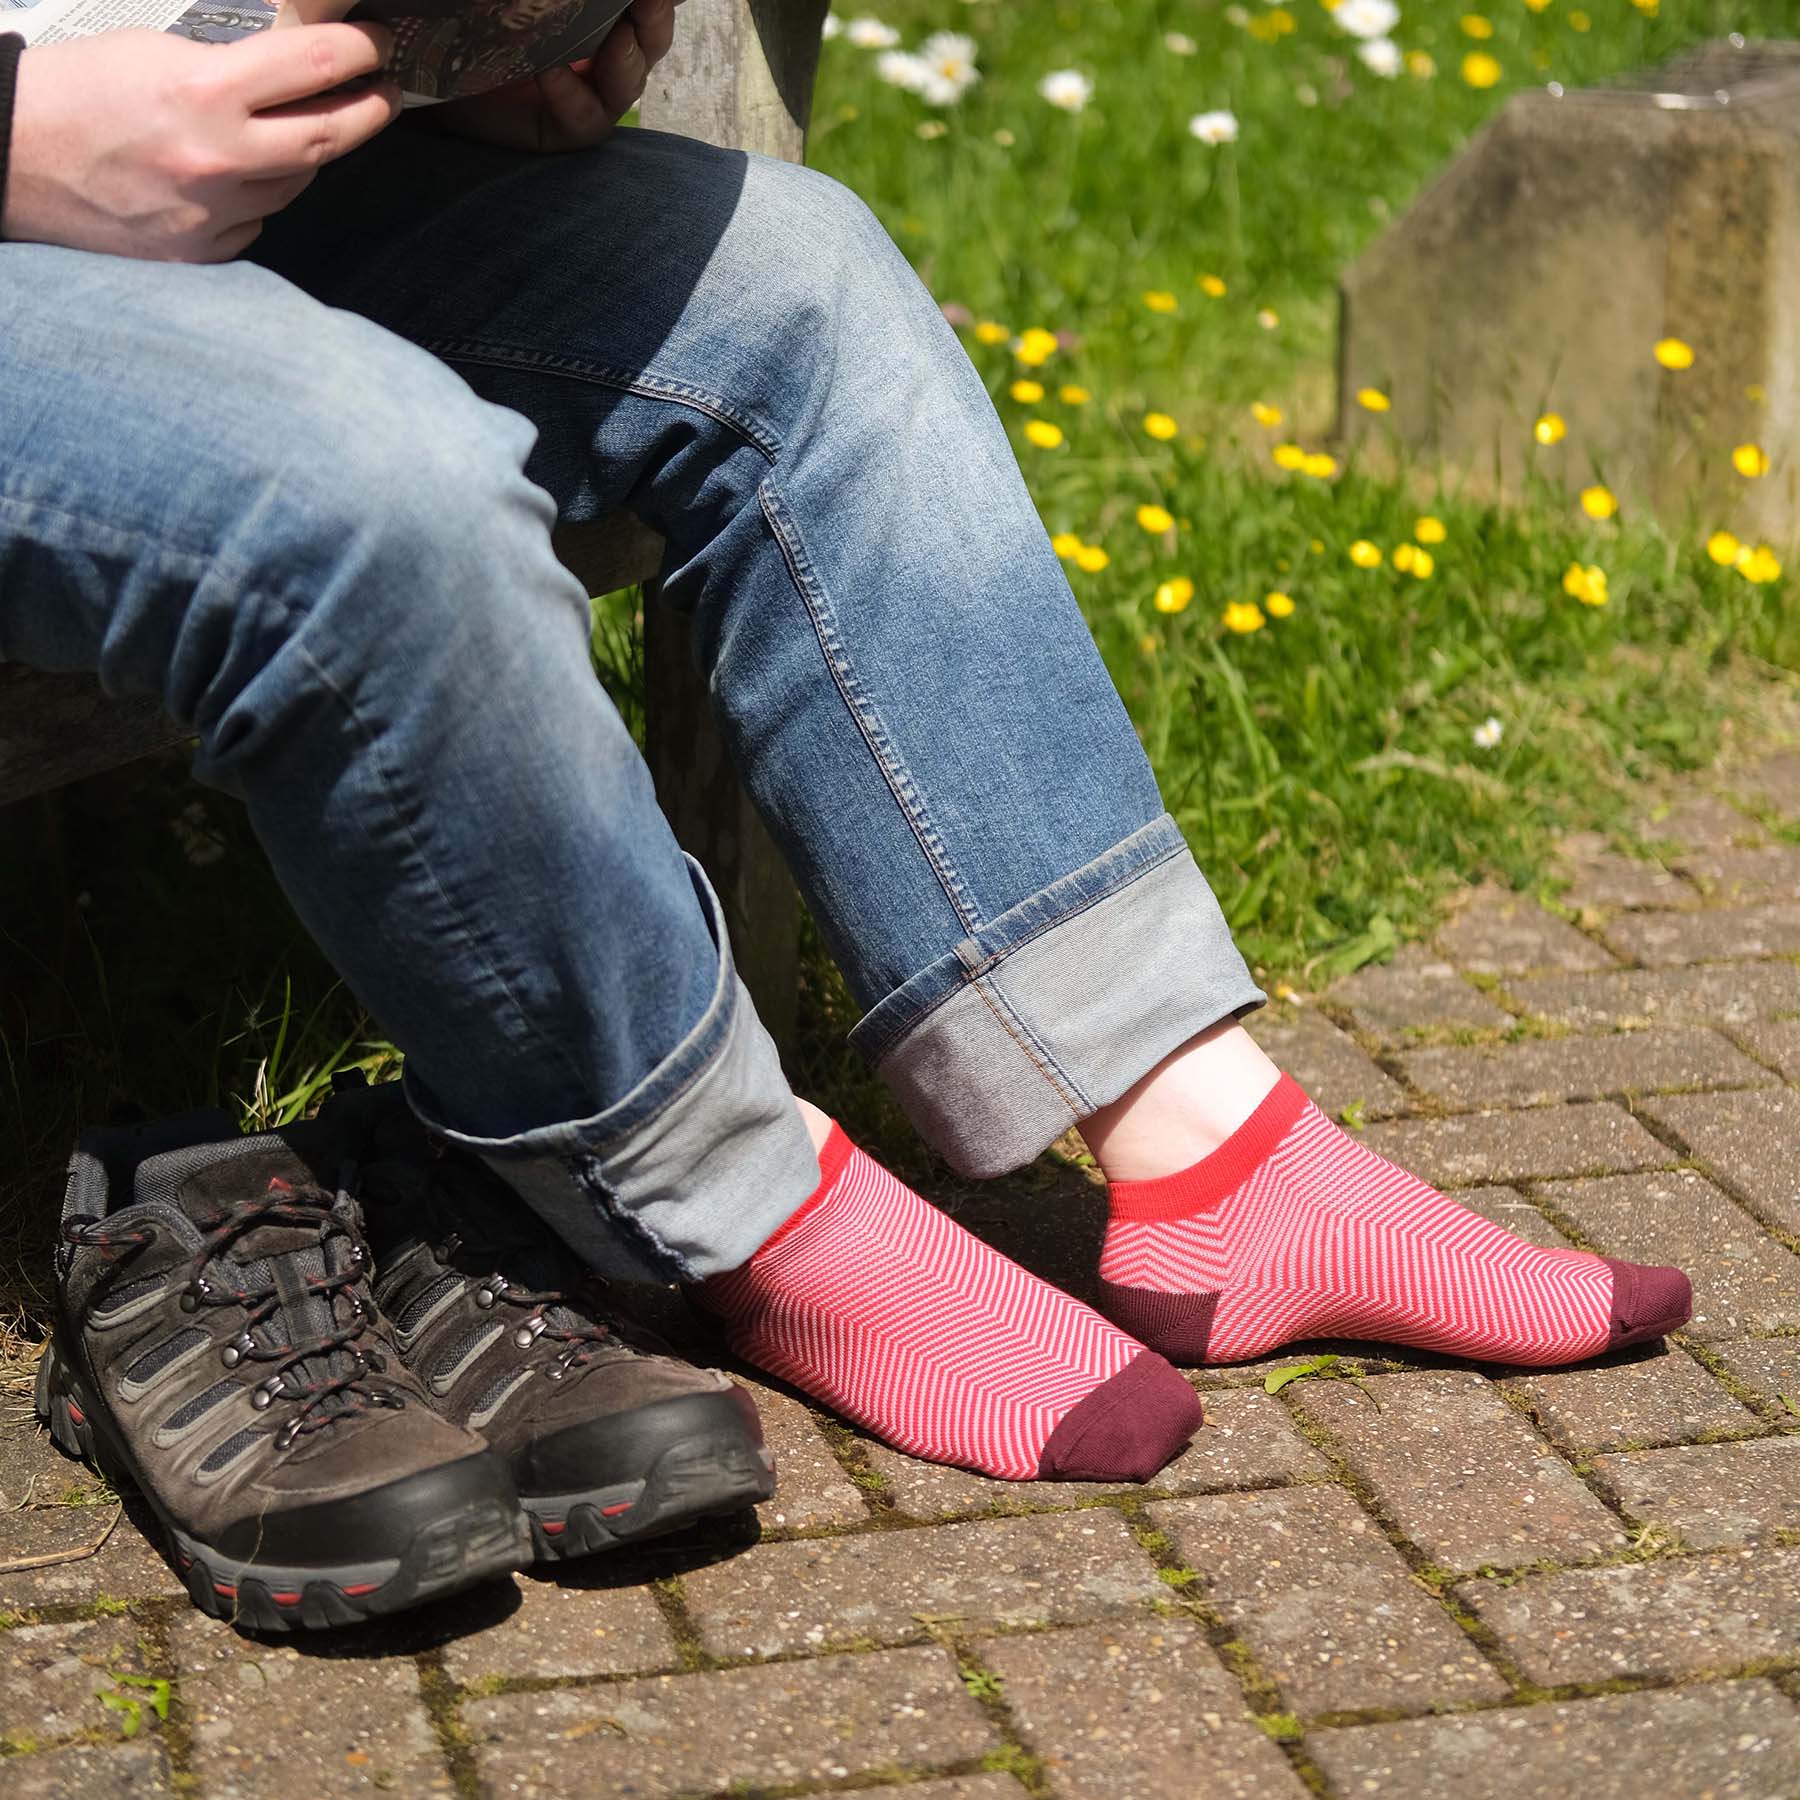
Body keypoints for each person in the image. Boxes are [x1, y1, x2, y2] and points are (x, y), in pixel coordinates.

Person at [1, 4, 1690, 1627]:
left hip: (226, 165)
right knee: (376, 492)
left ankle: (1210, 1147)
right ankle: (726, 1202)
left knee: (801, 289)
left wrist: (467, 48)